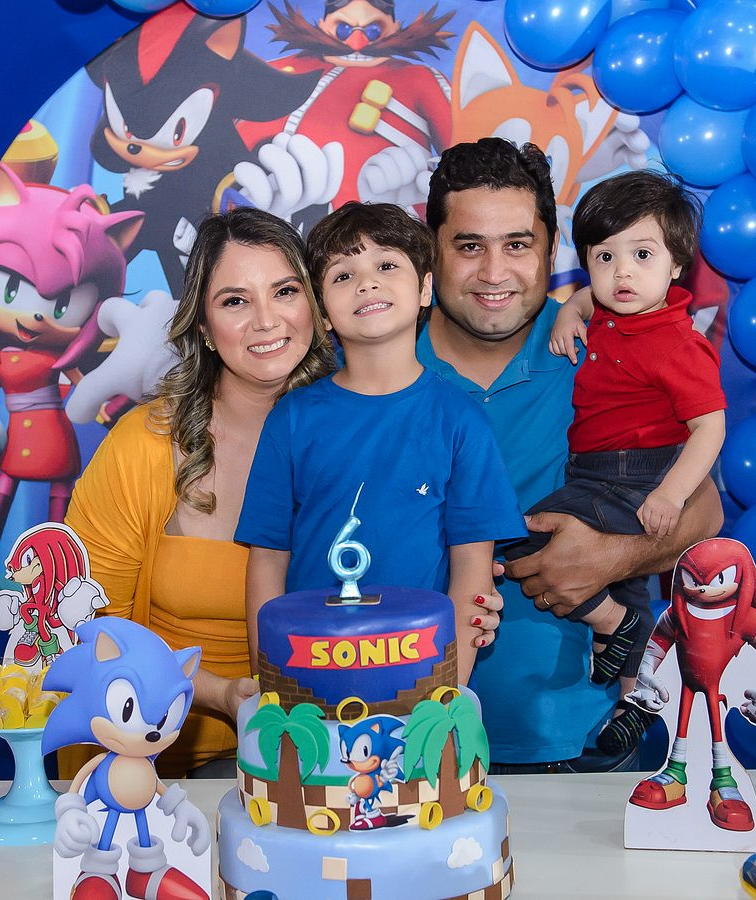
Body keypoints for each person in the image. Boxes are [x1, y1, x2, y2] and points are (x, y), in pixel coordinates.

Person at [417, 138, 724, 771]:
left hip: (577, 738)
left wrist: (612, 557)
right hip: (399, 734)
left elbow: (706, 511)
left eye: (518, 245)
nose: (494, 272)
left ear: (552, 249)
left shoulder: (601, 346)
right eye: (469, 246)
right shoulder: (377, 363)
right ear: (432, 250)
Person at [62, 207, 339, 778]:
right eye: (235, 301)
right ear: (205, 329)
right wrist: (220, 693)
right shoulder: (143, 444)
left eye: (285, 291)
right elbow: (88, 627)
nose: (266, 320)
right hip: (152, 763)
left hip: (334, 757)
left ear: (316, 307)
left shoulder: (359, 438)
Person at [236, 201, 524, 685]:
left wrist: (445, 696)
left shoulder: (462, 420)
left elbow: (472, 574)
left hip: (420, 677)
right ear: (323, 312)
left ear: (425, 287)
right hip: (309, 675)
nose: (367, 283)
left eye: (387, 266)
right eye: (343, 275)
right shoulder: (291, 418)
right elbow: (267, 562)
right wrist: (273, 685)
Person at [517, 168, 726, 757]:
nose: (622, 273)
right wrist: (569, 311)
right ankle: (636, 695)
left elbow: (710, 427)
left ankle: (613, 627)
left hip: (638, 470)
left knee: (532, 537)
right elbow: (591, 296)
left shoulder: (677, 343)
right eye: (604, 257)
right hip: (592, 465)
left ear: (677, 264)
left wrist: (670, 495)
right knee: (628, 585)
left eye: (642, 255)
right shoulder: (609, 307)